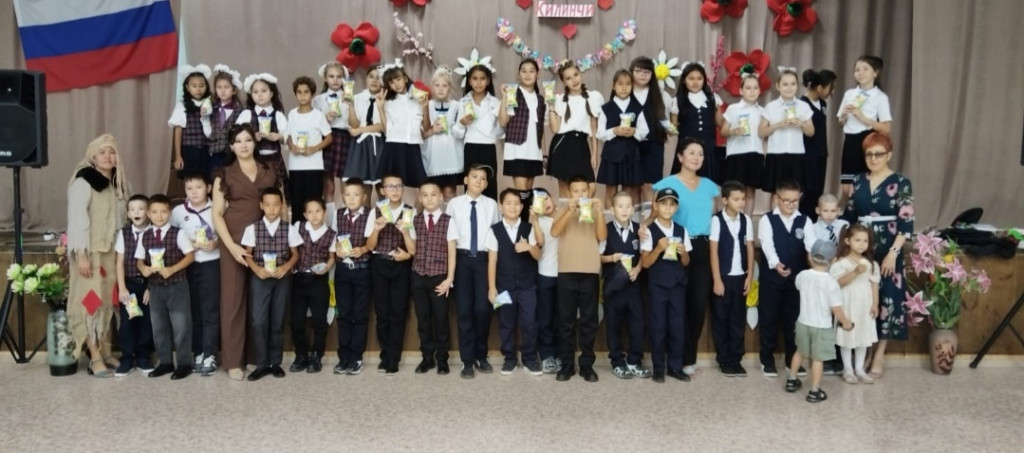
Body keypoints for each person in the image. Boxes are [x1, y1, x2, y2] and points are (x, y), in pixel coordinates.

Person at [212, 124, 286, 381]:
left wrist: (283, 240)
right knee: (233, 301)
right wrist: (231, 246)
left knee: (259, 301)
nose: (243, 145)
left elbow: (282, 206)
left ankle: (258, 357)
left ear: (255, 143)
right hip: (234, 241)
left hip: (267, 244)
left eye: (247, 140)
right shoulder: (224, 174)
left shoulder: (270, 170)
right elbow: (217, 214)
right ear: (231, 146)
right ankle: (233, 360)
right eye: (238, 141)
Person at [842, 132, 913, 379]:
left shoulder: (901, 182)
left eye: (878, 154)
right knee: (863, 298)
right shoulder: (858, 181)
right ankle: (863, 351)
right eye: (869, 154)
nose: (873, 158)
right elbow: (849, 216)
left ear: (889, 155)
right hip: (862, 248)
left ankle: (879, 353)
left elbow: (906, 222)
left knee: (887, 300)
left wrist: (893, 254)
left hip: (889, 247)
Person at [652, 137, 720, 376]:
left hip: (702, 248)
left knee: (697, 305)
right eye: (692, 153)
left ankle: (688, 358)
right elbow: (654, 215)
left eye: (700, 154)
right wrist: (644, 229)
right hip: (675, 246)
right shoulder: (666, 183)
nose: (696, 157)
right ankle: (672, 359)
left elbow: (716, 217)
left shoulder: (710, 186)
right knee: (675, 306)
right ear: (680, 156)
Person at [67, 133, 130, 377]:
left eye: (112, 152)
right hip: (90, 253)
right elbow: (77, 220)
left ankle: (106, 351)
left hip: (112, 254)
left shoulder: (118, 184)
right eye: (102, 152)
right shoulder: (84, 182)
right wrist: (81, 255)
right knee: (91, 303)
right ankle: (94, 357)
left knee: (108, 302)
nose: (107, 156)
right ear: (92, 157)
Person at [757, 179, 818, 377]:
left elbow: (811, 246)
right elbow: (767, 245)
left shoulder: (805, 220)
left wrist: (817, 264)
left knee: (794, 320)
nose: (791, 205)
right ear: (777, 199)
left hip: (796, 281)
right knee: (769, 319)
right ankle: (767, 360)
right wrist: (776, 264)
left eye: (795, 201)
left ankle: (793, 360)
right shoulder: (767, 220)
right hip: (772, 279)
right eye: (787, 201)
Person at [241, 188, 302, 381]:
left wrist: (285, 267)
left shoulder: (289, 229)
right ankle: (261, 364)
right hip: (260, 279)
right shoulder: (252, 229)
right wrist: (256, 269)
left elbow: (296, 255)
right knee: (258, 321)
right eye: (267, 205)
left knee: (277, 320)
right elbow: (247, 254)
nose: (272, 209)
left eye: (276, 204)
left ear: (281, 206)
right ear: (261, 206)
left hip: (282, 278)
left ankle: (275, 363)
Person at [446, 164, 501, 379]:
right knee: (464, 310)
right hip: (461, 259)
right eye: (475, 176)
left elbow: (496, 235)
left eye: (483, 178)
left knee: (483, 309)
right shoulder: (454, 204)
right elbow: (448, 236)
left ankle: (481, 355)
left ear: (486, 184)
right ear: (466, 180)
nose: (479, 180)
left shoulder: (491, 205)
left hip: (483, 260)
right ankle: (467, 360)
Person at [135, 194, 196, 380]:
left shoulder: (179, 234)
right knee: (159, 327)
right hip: (155, 288)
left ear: (169, 213)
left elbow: (190, 256)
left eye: (163, 212)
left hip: (177, 286)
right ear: (148, 214)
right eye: (154, 212)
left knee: (181, 326)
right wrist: (143, 268)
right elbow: (139, 261)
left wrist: (172, 269)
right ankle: (165, 362)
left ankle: (184, 364)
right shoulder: (144, 236)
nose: (159, 216)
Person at [551, 176, 606, 382]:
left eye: (584, 191)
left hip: (590, 271)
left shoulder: (594, 211)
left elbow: (602, 236)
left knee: (589, 321)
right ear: (569, 193)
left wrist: (600, 213)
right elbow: (555, 231)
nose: (580, 194)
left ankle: (586, 365)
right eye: (576, 191)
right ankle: (566, 365)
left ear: (589, 193)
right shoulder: (562, 209)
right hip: (566, 271)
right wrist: (569, 210)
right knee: (565, 321)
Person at [786, 240, 854, 403]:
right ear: (834, 260)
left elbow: (798, 287)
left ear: (810, 256)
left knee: (800, 352)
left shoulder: (802, 276)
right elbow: (836, 308)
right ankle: (814, 391)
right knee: (818, 358)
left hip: (803, 322)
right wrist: (846, 322)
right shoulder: (831, 283)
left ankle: (792, 380)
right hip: (821, 326)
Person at [365, 174, 417, 375]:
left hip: (401, 266)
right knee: (382, 313)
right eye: (390, 187)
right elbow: (370, 246)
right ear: (382, 190)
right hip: (379, 264)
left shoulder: (410, 211)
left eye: (398, 186)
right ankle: (385, 354)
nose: (395, 190)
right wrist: (377, 230)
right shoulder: (375, 212)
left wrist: (405, 233)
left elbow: (413, 250)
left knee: (398, 312)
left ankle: (394, 358)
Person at [486, 188, 542, 375]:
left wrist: (529, 247)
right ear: (501, 207)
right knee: (506, 322)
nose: (513, 207)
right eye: (508, 203)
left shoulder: (528, 228)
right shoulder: (494, 230)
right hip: (503, 287)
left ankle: (529, 358)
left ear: (522, 207)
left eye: (517, 203)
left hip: (528, 286)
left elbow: (538, 255)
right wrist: (492, 287)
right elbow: (492, 260)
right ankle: (509, 358)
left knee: (530, 322)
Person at [170, 172, 221, 376]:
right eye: (189, 189)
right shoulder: (178, 212)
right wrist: (186, 244)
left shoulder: (217, 208)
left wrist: (215, 243)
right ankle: (198, 352)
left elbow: (227, 233)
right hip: (188, 265)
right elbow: (171, 237)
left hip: (211, 264)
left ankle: (210, 354)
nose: (194, 192)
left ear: (208, 188)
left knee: (210, 310)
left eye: (198, 187)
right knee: (194, 311)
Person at [640, 187, 692, 383]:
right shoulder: (649, 231)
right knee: (658, 326)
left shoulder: (681, 230)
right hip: (658, 286)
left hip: (678, 285)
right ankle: (658, 368)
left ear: (676, 207)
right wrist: (659, 248)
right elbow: (645, 263)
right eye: (663, 203)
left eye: (671, 204)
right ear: (655, 205)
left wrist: (683, 253)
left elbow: (686, 262)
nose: (668, 208)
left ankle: (675, 367)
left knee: (677, 327)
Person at [600, 191, 649, 379]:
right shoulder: (605, 230)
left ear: (633, 209)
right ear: (612, 209)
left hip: (634, 286)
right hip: (613, 286)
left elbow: (645, 254)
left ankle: (634, 361)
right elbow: (597, 257)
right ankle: (617, 362)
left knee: (638, 324)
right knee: (613, 324)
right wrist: (612, 258)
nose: (624, 210)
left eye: (628, 206)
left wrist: (638, 268)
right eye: (620, 206)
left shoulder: (640, 229)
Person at [410, 182, 457, 375]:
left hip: (440, 277)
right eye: (425, 195)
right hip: (419, 275)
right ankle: (427, 358)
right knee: (423, 319)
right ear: (420, 198)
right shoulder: (415, 220)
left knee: (441, 319)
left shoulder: (448, 221)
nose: (429, 198)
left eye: (433, 194)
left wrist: (449, 278)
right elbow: (412, 248)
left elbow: (452, 251)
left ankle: (442, 359)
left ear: (440, 197)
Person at [709, 181, 754, 377]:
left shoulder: (746, 220)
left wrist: (749, 275)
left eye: (743, 199)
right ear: (725, 200)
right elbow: (713, 251)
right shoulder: (717, 220)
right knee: (721, 319)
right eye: (736, 199)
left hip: (740, 277)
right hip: (723, 277)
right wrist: (717, 280)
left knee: (737, 319)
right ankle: (724, 359)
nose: (741, 202)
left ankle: (736, 359)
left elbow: (749, 247)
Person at [289, 199, 336, 374]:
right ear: (305, 214)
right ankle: (301, 355)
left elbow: (332, 257)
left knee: (319, 321)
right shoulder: (298, 227)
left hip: (319, 281)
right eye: (310, 212)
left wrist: (326, 268)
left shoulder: (331, 234)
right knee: (297, 320)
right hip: (299, 279)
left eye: (318, 211)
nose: (314, 215)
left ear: (324, 212)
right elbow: (292, 250)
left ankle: (317, 356)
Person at [332, 178, 373, 375]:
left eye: (356, 195)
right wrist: (337, 249)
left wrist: (363, 249)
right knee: (344, 314)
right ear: (343, 197)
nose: (351, 198)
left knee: (360, 315)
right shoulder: (338, 214)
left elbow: (373, 242)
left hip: (362, 270)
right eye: (348, 195)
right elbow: (333, 239)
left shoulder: (370, 214)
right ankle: (344, 357)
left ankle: (356, 357)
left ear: (363, 197)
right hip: (342, 270)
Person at [830, 223, 880, 385]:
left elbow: (874, 284)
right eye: (857, 240)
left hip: (865, 303)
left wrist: (875, 304)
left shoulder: (871, 264)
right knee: (847, 335)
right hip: (847, 303)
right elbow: (837, 283)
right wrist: (855, 272)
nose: (861, 244)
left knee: (863, 335)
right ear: (847, 241)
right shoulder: (840, 263)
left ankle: (859, 369)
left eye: (865, 241)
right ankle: (848, 369)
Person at [838, 55, 892, 195]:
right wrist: (843, 115)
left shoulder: (880, 97)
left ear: (875, 72)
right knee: (847, 188)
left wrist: (863, 118)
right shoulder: (849, 94)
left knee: (868, 183)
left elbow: (886, 128)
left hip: (869, 140)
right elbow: (840, 122)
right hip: (850, 141)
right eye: (857, 70)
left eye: (865, 69)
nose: (860, 73)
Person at [548, 61, 604, 198]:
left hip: (581, 144)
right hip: (562, 143)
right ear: (564, 82)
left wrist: (594, 154)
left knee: (590, 188)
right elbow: (555, 129)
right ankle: (566, 212)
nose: (574, 80)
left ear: (580, 74)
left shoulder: (593, 97)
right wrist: (551, 106)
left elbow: (593, 129)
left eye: (576, 75)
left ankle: (582, 212)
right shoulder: (560, 100)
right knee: (565, 189)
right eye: (568, 78)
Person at [113, 195, 155, 376]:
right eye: (133, 209)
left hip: (148, 285)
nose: (136, 212)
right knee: (128, 323)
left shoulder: (155, 232)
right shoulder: (124, 234)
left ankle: (144, 357)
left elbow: (158, 262)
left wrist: (151, 287)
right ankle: (127, 358)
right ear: (128, 214)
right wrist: (122, 287)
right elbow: (119, 262)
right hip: (129, 285)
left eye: (141, 208)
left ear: (148, 212)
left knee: (147, 322)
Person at [629, 57, 675, 218]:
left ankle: (649, 224)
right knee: (633, 186)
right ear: (632, 72)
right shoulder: (625, 92)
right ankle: (634, 224)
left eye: (647, 71)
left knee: (650, 186)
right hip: (630, 145)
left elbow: (665, 120)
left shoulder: (661, 95)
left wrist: (670, 128)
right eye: (639, 71)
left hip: (654, 145)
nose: (643, 75)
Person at [498, 59, 546, 209]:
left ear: (538, 75)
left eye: (532, 71)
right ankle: (521, 222)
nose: (527, 74)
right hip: (516, 149)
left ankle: (526, 221)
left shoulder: (540, 99)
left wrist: (543, 153)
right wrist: (504, 97)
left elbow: (541, 129)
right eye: (524, 71)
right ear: (519, 75)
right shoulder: (513, 94)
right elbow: (503, 121)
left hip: (534, 150)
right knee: (522, 191)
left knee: (528, 192)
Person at [759, 67, 814, 194]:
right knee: (776, 193)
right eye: (785, 84)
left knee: (795, 192)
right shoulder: (771, 107)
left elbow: (811, 132)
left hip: (797, 154)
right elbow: (761, 132)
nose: (789, 88)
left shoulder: (803, 106)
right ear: (777, 86)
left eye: (793, 84)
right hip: (776, 155)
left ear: (797, 87)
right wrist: (777, 125)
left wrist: (801, 123)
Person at [812, 193, 850, 375]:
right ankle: (825, 358)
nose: (829, 214)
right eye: (825, 211)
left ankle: (839, 358)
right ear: (818, 210)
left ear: (839, 210)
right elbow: (811, 253)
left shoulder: (844, 226)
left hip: (841, 278)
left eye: (833, 211)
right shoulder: (813, 228)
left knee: (839, 316)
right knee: (824, 319)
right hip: (822, 278)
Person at [286, 75, 333, 222]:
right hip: (295, 166)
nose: (302, 95)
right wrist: (291, 146)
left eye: (306, 92)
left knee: (314, 202)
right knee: (297, 203)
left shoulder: (318, 115)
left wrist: (313, 148)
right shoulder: (292, 114)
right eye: (299, 92)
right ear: (295, 94)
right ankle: (297, 233)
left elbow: (329, 138)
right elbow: (288, 135)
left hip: (314, 166)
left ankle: (315, 232)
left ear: (312, 94)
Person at [596, 69, 645, 209]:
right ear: (613, 86)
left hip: (631, 155)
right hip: (611, 155)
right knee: (610, 191)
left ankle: (628, 221)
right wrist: (614, 131)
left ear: (632, 86)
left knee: (628, 191)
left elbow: (644, 131)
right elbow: (600, 133)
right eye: (620, 84)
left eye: (628, 84)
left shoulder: (637, 108)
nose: (624, 88)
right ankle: (609, 221)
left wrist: (634, 132)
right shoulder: (606, 108)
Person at [453, 64, 502, 200]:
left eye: (482, 79)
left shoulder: (494, 102)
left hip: (489, 147)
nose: (478, 82)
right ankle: (470, 211)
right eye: (475, 78)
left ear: (488, 81)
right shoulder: (463, 102)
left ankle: (491, 212)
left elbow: (499, 131)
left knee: (490, 182)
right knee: (471, 184)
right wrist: (462, 123)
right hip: (470, 147)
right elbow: (458, 134)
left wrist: (502, 119)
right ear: (469, 81)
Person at [378, 66, 429, 189]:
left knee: (421, 185)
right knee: (392, 185)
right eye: (391, 82)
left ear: (405, 79)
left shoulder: (419, 99)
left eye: (398, 79)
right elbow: (386, 131)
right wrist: (380, 108)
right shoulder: (388, 103)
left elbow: (426, 128)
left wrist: (425, 108)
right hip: (393, 147)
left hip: (413, 146)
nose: (396, 84)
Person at [720, 74, 765, 217]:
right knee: (734, 191)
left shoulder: (762, 111)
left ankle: (747, 223)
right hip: (736, 155)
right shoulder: (733, 109)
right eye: (748, 88)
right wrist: (732, 131)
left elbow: (765, 133)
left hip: (756, 154)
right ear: (741, 91)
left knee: (750, 192)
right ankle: (731, 221)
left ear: (760, 90)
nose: (752, 91)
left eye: (755, 88)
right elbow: (723, 131)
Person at [674, 62, 724, 181]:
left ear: (704, 80)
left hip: (708, 148)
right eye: (691, 78)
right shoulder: (677, 101)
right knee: (685, 181)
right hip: (687, 149)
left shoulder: (713, 98)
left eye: (699, 78)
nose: (695, 82)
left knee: (708, 180)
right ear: (684, 80)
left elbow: (720, 123)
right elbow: (674, 126)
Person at [313, 61, 352, 210]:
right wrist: (325, 119)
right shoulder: (318, 100)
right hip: (327, 138)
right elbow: (313, 123)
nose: (335, 80)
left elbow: (355, 121)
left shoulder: (349, 97)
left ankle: (346, 216)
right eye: (331, 76)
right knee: (328, 185)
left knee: (346, 183)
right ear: (325, 78)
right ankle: (330, 219)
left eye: (339, 76)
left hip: (345, 138)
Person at [799, 69, 837, 220]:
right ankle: (804, 221)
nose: (832, 91)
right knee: (808, 190)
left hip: (821, 153)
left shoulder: (823, 103)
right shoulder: (802, 103)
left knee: (818, 190)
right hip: (807, 154)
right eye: (830, 87)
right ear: (820, 88)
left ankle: (814, 222)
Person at [422, 66, 464, 200]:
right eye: (437, 85)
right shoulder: (427, 105)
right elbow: (420, 134)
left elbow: (461, 131)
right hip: (433, 157)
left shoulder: (457, 106)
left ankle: (450, 214)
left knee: (449, 191)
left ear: (449, 88)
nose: (440, 89)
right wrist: (431, 131)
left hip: (452, 157)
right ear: (432, 87)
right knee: (430, 193)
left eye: (444, 86)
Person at [531, 187, 560, 374]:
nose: (545, 203)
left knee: (562, 319)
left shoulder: (565, 215)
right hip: (545, 275)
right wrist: (534, 220)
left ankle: (561, 355)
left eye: (546, 198)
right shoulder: (538, 223)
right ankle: (547, 355)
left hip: (565, 274)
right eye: (539, 202)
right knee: (546, 318)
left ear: (552, 198)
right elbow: (539, 243)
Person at [236, 73, 289, 173]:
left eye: (264, 91)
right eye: (255, 92)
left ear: (271, 93)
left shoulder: (278, 115)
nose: (259, 95)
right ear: (251, 95)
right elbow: (236, 134)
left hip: (275, 161)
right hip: (253, 160)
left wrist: (279, 137)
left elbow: (288, 136)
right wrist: (251, 137)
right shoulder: (247, 114)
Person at [343, 67, 385, 190]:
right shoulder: (357, 98)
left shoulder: (386, 99)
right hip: (360, 145)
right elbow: (354, 125)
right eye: (371, 77)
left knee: (382, 186)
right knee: (363, 186)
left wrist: (360, 130)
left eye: (378, 78)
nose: (374, 80)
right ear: (366, 79)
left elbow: (383, 126)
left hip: (380, 143)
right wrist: (351, 106)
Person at [168, 64, 212, 179]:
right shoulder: (182, 105)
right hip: (189, 151)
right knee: (191, 180)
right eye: (194, 86)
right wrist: (178, 156)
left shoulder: (209, 104)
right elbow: (178, 131)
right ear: (187, 87)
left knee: (207, 179)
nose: (198, 89)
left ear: (206, 86)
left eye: (201, 85)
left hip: (207, 150)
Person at [208, 64, 245, 178]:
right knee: (216, 179)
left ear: (234, 90)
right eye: (219, 87)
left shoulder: (241, 110)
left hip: (233, 153)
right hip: (215, 153)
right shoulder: (210, 108)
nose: (222, 91)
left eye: (226, 87)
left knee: (232, 179)